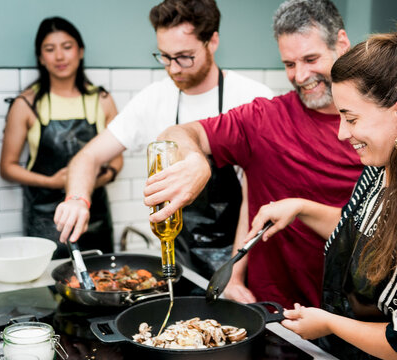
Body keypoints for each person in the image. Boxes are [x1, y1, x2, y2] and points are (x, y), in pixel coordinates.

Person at [245, 7, 397, 360]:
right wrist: (300, 207)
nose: (342, 133)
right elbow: (362, 232)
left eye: (350, 117)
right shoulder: (383, 168)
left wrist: (329, 323)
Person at [145, 0, 363, 309]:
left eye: (310, 59)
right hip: (275, 312)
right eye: (289, 64)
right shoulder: (265, 118)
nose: (300, 76)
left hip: (352, 313)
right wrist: (195, 161)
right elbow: (177, 133)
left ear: (341, 44)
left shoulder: (373, 126)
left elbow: (382, 230)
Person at [53, 0, 274, 273]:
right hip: (181, 264)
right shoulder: (153, 99)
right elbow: (88, 156)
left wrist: (235, 274)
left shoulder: (253, 98)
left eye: (184, 56)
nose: (174, 68)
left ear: (212, 41)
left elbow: (263, 194)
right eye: (164, 57)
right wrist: (77, 198)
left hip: (244, 259)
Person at [0, 17, 122, 259]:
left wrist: (87, 185)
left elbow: (117, 163)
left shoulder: (102, 100)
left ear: (80, 52)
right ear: (40, 57)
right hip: (46, 219)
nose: (59, 56)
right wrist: (53, 182)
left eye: (67, 47)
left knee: (102, 281)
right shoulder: (26, 104)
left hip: (94, 216)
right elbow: (8, 167)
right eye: (49, 49)